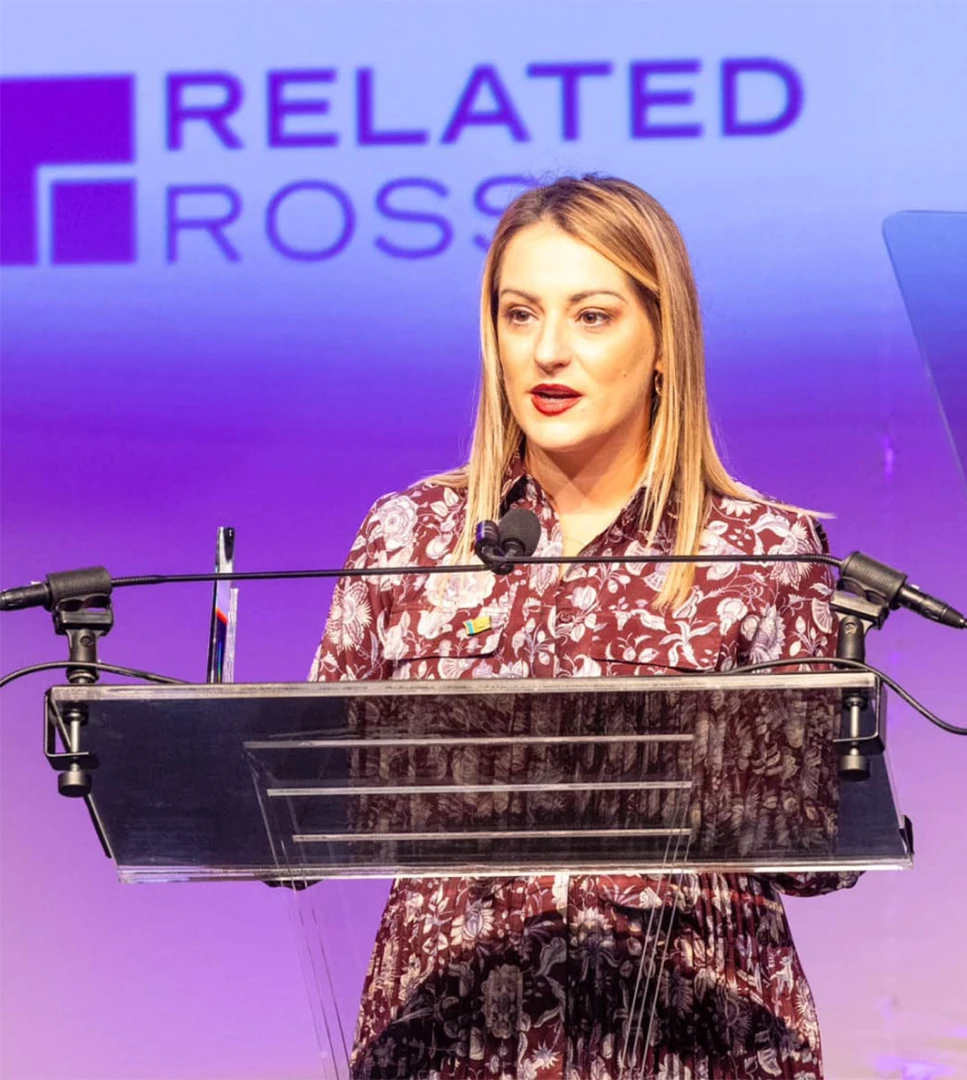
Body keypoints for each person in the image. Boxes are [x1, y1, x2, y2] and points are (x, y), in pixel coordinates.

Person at [311, 175, 859, 1080]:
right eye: (520, 315)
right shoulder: (408, 536)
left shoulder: (762, 549)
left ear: (663, 342)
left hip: (688, 1041)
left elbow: (817, 854)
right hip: (449, 1044)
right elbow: (311, 801)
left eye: (592, 316)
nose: (548, 352)